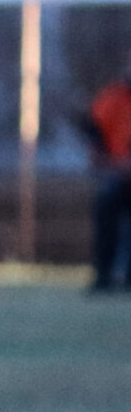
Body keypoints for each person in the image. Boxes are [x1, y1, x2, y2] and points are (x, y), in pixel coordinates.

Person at [85, 54, 131, 290]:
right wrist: (119, 166)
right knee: (106, 202)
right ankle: (104, 276)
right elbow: (95, 154)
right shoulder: (111, 100)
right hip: (119, 178)